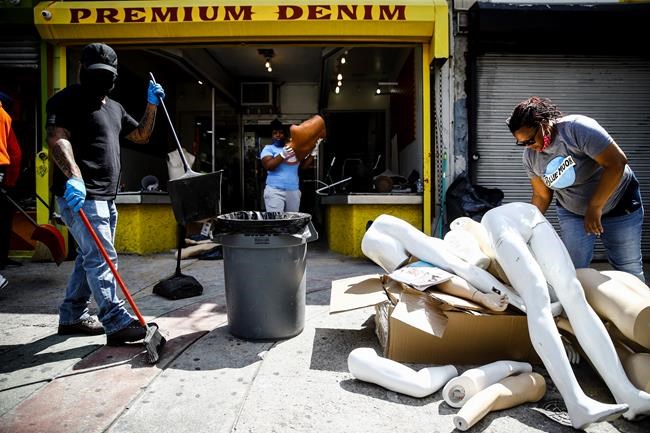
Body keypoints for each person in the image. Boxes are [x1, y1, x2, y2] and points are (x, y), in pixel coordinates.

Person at [46, 43, 165, 345]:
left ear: (114, 76)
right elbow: (58, 139)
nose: (101, 80)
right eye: (95, 73)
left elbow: (141, 135)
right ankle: (115, 320)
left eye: (106, 74)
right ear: (81, 70)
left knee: (90, 257)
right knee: (101, 257)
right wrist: (74, 176)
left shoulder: (115, 108)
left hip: (107, 198)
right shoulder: (66, 99)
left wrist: (152, 104)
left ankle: (71, 316)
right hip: (80, 196)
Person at [507, 96, 644, 281]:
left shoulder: (576, 130)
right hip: (573, 212)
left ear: (544, 123)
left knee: (628, 268)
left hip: (619, 204)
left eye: (530, 140)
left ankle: (641, 309)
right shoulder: (530, 157)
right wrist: (525, 228)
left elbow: (616, 163)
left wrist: (595, 207)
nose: (530, 146)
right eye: (522, 143)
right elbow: (541, 195)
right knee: (573, 271)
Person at [260, 118, 317, 212]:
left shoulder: (294, 149)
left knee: (291, 222)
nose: (278, 135)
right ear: (271, 136)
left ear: (285, 135)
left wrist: (313, 154)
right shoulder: (268, 149)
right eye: (275, 133)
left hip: (293, 190)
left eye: (280, 133)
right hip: (275, 191)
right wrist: (282, 154)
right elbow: (269, 166)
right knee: (277, 222)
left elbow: (303, 167)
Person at [0, 92, 23, 270]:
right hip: (4, 173)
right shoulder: (4, 116)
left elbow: (14, 154)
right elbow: (15, 154)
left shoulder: (3, 117)